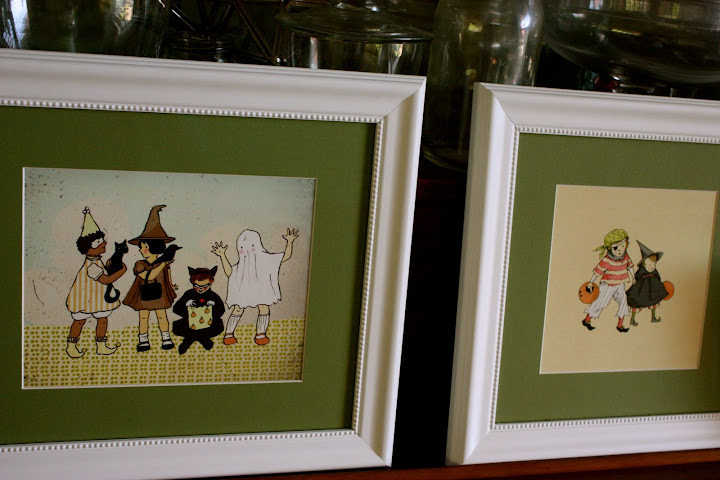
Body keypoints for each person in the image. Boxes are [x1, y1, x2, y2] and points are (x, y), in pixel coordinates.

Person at [212, 228, 298, 346]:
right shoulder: (241, 265)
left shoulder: (266, 258)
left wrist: (289, 242)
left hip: (260, 289)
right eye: (242, 248)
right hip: (244, 288)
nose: (246, 250)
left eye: (251, 246)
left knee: (263, 306)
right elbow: (230, 272)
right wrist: (222, 255)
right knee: (238, 308)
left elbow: (285, 256)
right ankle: (229, 334)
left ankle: (261, 334)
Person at [65, 207, 127, 358]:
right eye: (98, 242)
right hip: (85, 299)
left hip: (97, 298)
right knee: (80, 321)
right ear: (87, 248)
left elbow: (104, 273)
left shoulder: (97, 261)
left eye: (102, 240)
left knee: (102, 320)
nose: (103, 243)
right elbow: (106, 280)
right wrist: (122, 271)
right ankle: (71, 346)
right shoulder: (91, 266)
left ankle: (101, 346)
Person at [123, 205, 179, 352]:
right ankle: (143, 340)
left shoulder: (163, 263)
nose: (141, 250)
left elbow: (167, 274)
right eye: (141, 247)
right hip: (144, 294)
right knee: (143, 317)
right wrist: (162, 264)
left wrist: (171, 285)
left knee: (162, 316)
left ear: (155, 247)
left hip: (160, 293)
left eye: (145, 247)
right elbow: (148, 276)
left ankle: (166, 338)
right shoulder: (140, 264)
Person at [581, 228, 635, 333]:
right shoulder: (607, 259)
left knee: (624, 302)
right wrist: (591, 282)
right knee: (601, 302)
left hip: (620, 284)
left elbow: (630, 266)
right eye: (616, 247)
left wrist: (633, 277)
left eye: (623, 246)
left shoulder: (625, 256)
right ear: (610, 248)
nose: (620, 250)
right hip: (608, 285)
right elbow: (598, 271)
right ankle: (587, 320)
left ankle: (620, 325)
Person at [172, 267, 225, 354]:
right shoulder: (189, 293)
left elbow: (221, 310)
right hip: (191, 322)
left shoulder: (213, 295)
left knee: (216, 326)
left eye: (205, 286)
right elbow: (176, 309)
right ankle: (200, 338)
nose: (200, 288)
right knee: (179, 327)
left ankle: (191, 339)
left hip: (207, 323)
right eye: (197, 286)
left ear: (210, 284)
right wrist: (186, 305)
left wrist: (213, 307)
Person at [626, 241, 669, 326]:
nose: (652, 266)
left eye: (654, 264)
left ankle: (653, 317)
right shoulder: (641, 271)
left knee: (654, 301)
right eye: (649, 264)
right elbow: (637, 277)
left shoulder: (654, 271)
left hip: (652, 290)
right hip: (642, 290)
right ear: (644, 264)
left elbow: (658, 277)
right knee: (636, 302)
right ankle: (632, 319)